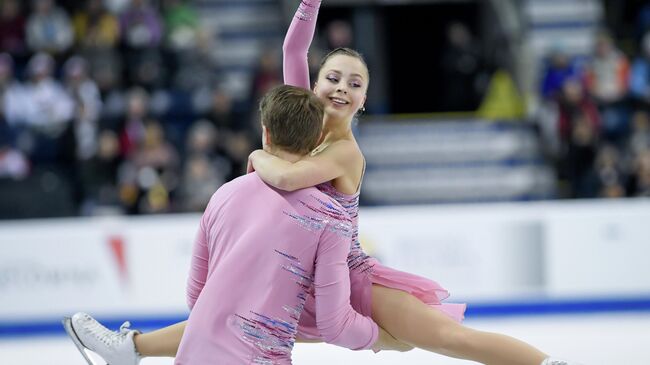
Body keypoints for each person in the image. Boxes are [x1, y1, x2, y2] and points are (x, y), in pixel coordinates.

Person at [65, 1, 582, 365]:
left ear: (362, 102)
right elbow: (295, 44)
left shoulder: (343, 152)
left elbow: (286, 174)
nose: (340, 87)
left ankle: (546, 364)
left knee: (445, 338)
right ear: (315, 83)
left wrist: (253, 154)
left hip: (346, 281)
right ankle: (125, 349)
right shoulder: (300, 118)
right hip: (296, 273)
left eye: (354, 84)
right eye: (332, 77)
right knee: (224, 316)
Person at [63, 85, 409, 364]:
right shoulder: (330, 218)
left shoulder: (225, 194)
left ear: (265, 133)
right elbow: (336, 326)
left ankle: (130, 347)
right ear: (318, 141)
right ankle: (131, 347)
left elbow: (198, 300)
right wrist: (388, 340)